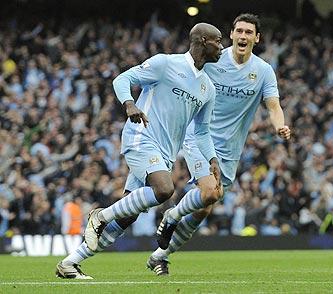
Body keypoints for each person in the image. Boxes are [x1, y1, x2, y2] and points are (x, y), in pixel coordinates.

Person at [55, 22, 223, 279]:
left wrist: (212, 159)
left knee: (127, 218)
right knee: (165, 189)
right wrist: (129, 104)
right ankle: (99, 216)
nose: (222, 47)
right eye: (217, 41)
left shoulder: (207, 88)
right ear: (201, 41)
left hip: (165, 153)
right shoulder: (166, 64)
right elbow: (123, 79)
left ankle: (70, 263)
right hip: (141, 137)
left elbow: (201, 131)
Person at [150, 13, 291, 275]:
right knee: (210, 192)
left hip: (230, 149)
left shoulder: (262, 71)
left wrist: (279, 125)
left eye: (249, 32)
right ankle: (171, 216)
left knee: (204, 209)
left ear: (256, 39)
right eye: (239, 31)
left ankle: (160, 255)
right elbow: (184, 70)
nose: (243, 36)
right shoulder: (215, 59)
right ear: (232, 34)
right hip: (199, 136)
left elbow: (273, 106)